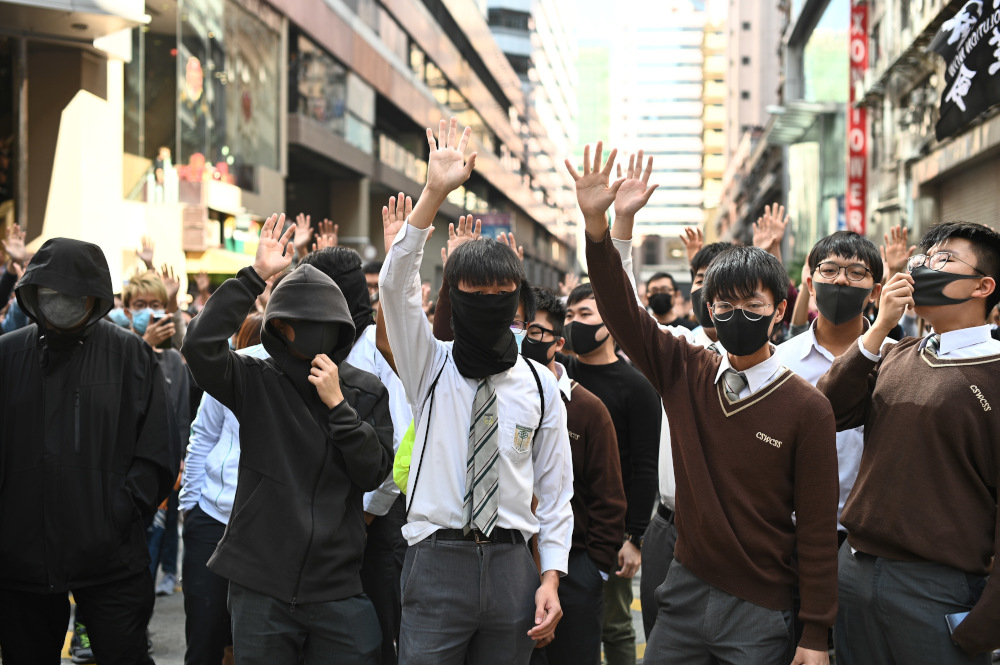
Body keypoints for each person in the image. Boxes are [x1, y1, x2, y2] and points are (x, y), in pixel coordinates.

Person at [571, 143, 838, 665]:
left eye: (753, 305)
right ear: (707, 309)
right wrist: (603, 226)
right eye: (724, 305)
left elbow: (816, 526)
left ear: (780, 310)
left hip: (763, 606)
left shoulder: (808, 407)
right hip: (683, 594)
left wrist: (815, 633)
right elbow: (623, 312)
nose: (738, 314)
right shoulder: (685, 368)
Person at [379, 118, 573, 665]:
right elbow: (395, 286)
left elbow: (557, 496)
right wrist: (434, 192)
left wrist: (550, 578)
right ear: (454, 298)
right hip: (435, 561)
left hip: (515, 567)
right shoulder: (429, 367)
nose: (488, 300)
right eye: (473, 290)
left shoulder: (541, 386)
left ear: (518, 305)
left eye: (501, 293)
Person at [182, 214, 394, 663]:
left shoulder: (363, 389)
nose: (308, 328)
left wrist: (339, 407)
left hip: (337, 584)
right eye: (295, 320)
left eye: (321, 321)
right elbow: (199, 347)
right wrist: (254, 277)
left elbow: (374, 470)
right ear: (277, 325)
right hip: (261, 583)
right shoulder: (254, 378)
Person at [817, 221, 1000, 664]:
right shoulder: (897, 352)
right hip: (856, 571)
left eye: (943, 260)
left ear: (983, 287)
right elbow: (827, 410)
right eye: (921, 260)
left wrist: (986, 621)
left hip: (938, 587)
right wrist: (878, 329)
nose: (923, 268)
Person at [0, 238, 178, 664]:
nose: (61, 303)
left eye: (73, 295)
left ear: (94, 298)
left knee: (123, 654)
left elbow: (157, 447)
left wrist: (120, 510)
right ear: (33, 294)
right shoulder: (8, 356)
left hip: (111, 557)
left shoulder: (130, 355)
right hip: (22, 559)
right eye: (50, 293)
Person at [300, 246, 413, 665]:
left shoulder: (376, 351)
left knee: (379, 631)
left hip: (376, 524)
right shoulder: (314, 348)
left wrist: (365, 515)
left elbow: (398, 443)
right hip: (326, 520)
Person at [522, 286, 627, 665]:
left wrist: (592, 569)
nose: (524, 339)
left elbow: (610, 498)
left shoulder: (587, 409)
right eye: (518, 328)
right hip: (511, 565)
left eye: (535, 332)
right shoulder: (496, 397)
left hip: (574, 569)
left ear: (557, 342)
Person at [561, 279, 661, 665]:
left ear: (611, 324)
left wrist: (633, 536)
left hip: (607, 527)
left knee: (615, 624)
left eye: (585, 314)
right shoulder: (557, 373)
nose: (574, 324)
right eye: (569, 315)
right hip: (558, 519)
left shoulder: (636, 387)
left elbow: (644, 467)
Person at [180, 312, 265, 665]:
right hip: (212, 518)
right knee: (205, 633)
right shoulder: (231, 372)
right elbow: (202, 436)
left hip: (266, 529)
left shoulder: (306, 377)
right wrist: (190, 504)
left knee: (252, 639)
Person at [122, 271, 190, 597]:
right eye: (139, 305)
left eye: (155, 304)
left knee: (155, 539)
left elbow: (179, 416)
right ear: (126, 310)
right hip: (122, 469)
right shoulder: (116, 349)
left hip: (161, 467)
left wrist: (179, 460)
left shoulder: (174, 360)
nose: (148, 311)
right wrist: (142, 347)